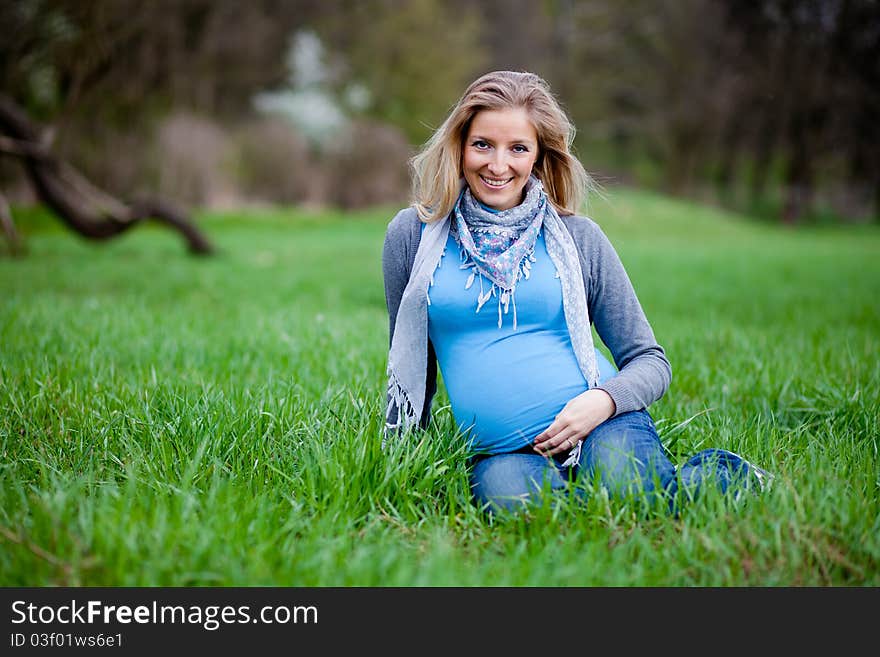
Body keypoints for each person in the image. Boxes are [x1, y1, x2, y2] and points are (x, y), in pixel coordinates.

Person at [382, 70, 770, 515]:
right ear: (460, 145)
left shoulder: (577, 237)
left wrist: (602, 403)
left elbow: (650, 360)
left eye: (518, 148)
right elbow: (411, 360)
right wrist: (403, 457)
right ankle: (587, 490)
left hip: (602, 423)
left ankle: (726, 473)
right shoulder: (413, 236)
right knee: (516, 507)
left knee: (632, 500)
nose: (497, 164)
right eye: (483, 144)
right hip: (504, 452)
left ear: (539, 157)